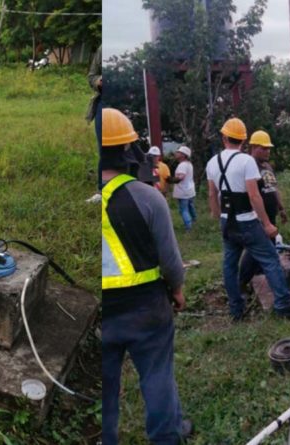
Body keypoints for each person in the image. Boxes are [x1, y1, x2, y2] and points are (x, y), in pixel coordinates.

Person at [101, 108, 192, 444]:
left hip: (103, 314)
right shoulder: (146, 196)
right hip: (146, 308)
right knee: (157, 377)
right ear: (129, 150)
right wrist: (178, 290)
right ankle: (167, 437)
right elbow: (170, 260)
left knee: (106, 387)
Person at [207, 118, 290, 321]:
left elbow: (212, 194)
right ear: (244, 140)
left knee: (229, 264)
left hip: (228, 222)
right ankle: (284, 307)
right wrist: (267, 224)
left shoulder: (212, 162)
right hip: (247, 220)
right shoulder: (245, 161)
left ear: (224, 137)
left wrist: (218, 215)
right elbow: (254, 196)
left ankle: (236, 310)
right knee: (271, 260)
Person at [239, 130, 288, 290]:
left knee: (270, 246)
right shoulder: (248, 165)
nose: (267, 151)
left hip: (271, 213)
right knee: (257, 250)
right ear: (253, 147)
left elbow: (273, 188)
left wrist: (281, 208)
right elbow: (250, 193)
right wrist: (260, 218)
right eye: (264, 148)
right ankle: (241, 282)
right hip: (258, 217)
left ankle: (260, 278)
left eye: (268, 148)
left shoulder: (267, 166)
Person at [86, 45, 103, 204]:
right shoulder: (102, 48)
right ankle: (102, 190)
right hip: (103, 104)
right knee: (104, 149)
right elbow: (91, 76)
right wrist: (98, 81)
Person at [171, 146, 196, 231]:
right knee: (190, 206)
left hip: (183, 191)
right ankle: (194, 220)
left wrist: (171, 180)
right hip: (190, 190)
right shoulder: (189, 164)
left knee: (183, 210)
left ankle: (188, 227)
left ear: (183, 155)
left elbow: (181, 177)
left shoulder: (182, 165)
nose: (176, 153)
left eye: (178, 152)